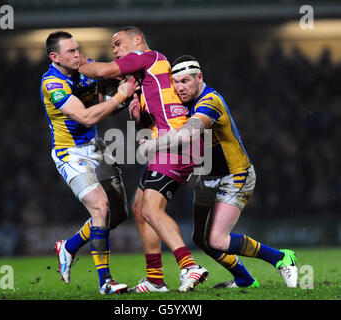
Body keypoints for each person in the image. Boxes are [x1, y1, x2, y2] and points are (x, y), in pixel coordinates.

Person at [140, 55, 299, 289]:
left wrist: (154, 145)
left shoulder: (210, 101)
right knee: (201, 239)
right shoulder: (185, 102)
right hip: (207, 178)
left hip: (235, 177)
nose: (180, 88)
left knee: (217, 239)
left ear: (199, 77)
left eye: (185, 81)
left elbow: (190, 133)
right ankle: (245, 280)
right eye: (176, 83)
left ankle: (281, 258)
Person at [79, 26, 209, 293]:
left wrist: (80, 63)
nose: (115, 49)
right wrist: (138, 117)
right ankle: (155, 279)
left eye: (118, 43)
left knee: (151, 209)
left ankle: (189, 266)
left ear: (137, 40)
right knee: (139, 209)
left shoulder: (147, 57)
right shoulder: (147, 79)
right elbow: (147, 122)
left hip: (175, 146)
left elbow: (102, 72)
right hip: (166, 146)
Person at [40, 31, 139, 294]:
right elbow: (85, 117)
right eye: (71, 51)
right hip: (70, 153)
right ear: (55, 57)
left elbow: (107, 102)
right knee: (100, 208)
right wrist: (120, 96)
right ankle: (105, 282)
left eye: (77, 49)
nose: (77, 54)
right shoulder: (52, 83)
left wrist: (127, 94)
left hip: (96, 147)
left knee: (117, 215)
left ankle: (69, 246)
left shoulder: (85, 67)